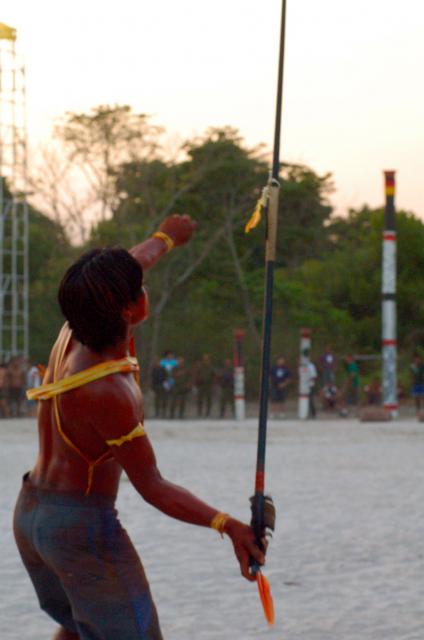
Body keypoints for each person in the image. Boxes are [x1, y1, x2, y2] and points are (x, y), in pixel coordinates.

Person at [14, 215, 269, 640]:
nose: (144, 288)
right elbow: (153, 487)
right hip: (79, 528)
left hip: (31, 516)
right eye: (140, 290)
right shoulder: (107, 390)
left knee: (82, 628)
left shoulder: (78, 321)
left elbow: (131, 265)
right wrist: (229, 525)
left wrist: (166, 237)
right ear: (130, 308)